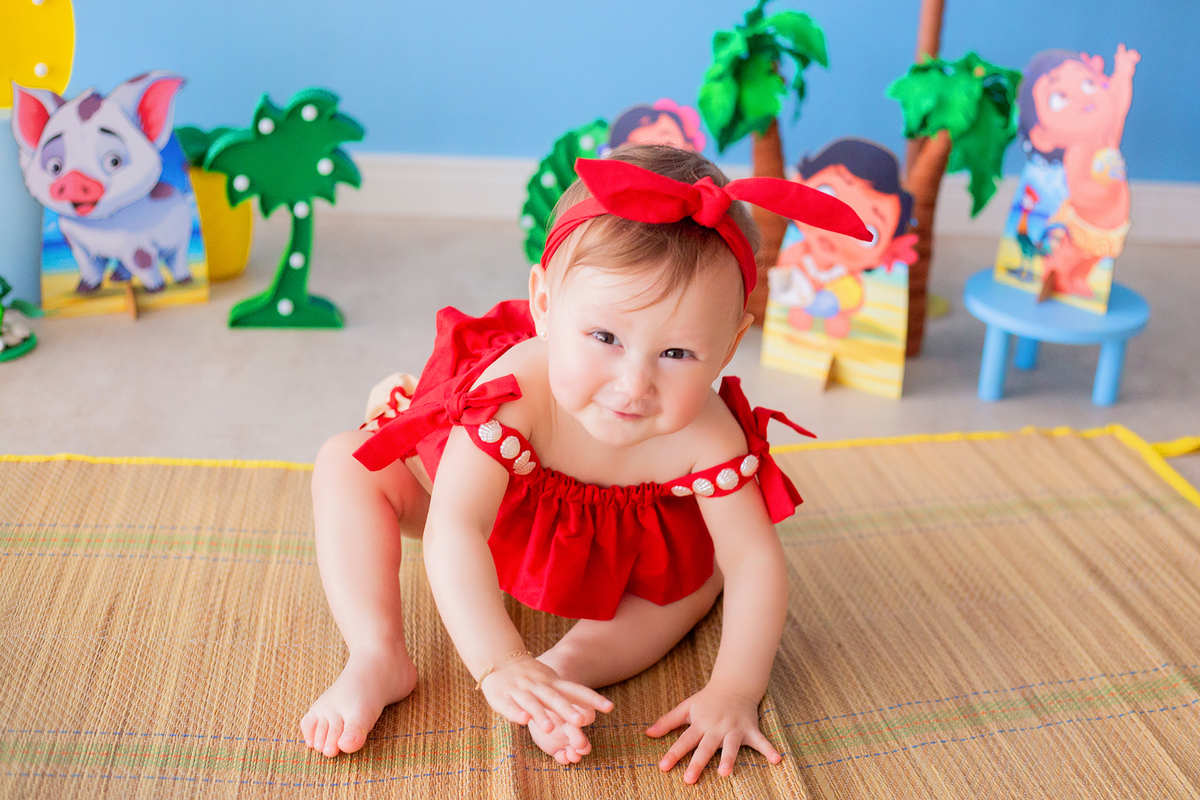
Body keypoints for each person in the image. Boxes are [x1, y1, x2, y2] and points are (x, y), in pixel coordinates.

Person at [299, 145, 868, 782]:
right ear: (543, 304)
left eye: (677, 353)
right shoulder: (516, 389)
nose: (633, 385)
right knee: (346, 462)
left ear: (732, 343)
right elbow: (454, 526)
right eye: (604, 338)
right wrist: (499, 660)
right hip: (503, 512)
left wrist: (735, 690)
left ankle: (569, 669)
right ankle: (377, 654)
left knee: (701, 579)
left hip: (623, 554)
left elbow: (754, 562)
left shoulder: (710, 437)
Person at [1018, 46, 1139, 296]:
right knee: (1074, 255)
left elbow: (1119, 104)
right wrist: (1105, 185)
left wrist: (1123, 74)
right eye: (1060, 98)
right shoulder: (1079, 151)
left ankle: (1078, 279)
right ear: (1042, 135)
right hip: (1084, 226)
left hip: (1109, 227)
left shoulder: (1106, 138)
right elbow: (1080, 190)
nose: (1083, 98)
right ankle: (1056, 274)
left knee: (1094, 260)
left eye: (1087, 84)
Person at [769, 138, 916, 339]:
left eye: (868, 233)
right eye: (826, 198)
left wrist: (841, 306)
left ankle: (835, 320)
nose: (839, 230)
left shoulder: (850, 277)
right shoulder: (798, 254)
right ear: (799, 184)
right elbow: (783, 275)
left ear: (886, 250)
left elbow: (856, 299)